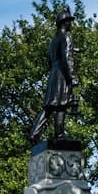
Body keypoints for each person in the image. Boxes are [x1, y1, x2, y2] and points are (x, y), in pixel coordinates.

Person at [29, 8, 80, 144]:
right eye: (69, 21)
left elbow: (50, 61)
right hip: (62, 73)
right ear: (65, 22)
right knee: (61, 105)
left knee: (50, 106)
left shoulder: (53, 41)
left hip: (54, 73)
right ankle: (59, 134)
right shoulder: (67, 37)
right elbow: (67, 57)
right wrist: (73, 77)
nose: (71, 24)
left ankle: (35, 133)